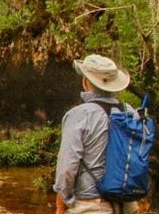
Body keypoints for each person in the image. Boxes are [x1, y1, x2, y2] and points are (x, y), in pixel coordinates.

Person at [53, 54, 139, 214]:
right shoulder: (130, 112)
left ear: (86, 82)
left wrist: (62, 204)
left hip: (91, 206)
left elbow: (67, 168)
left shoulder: (79, 115)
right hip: (128, 205)